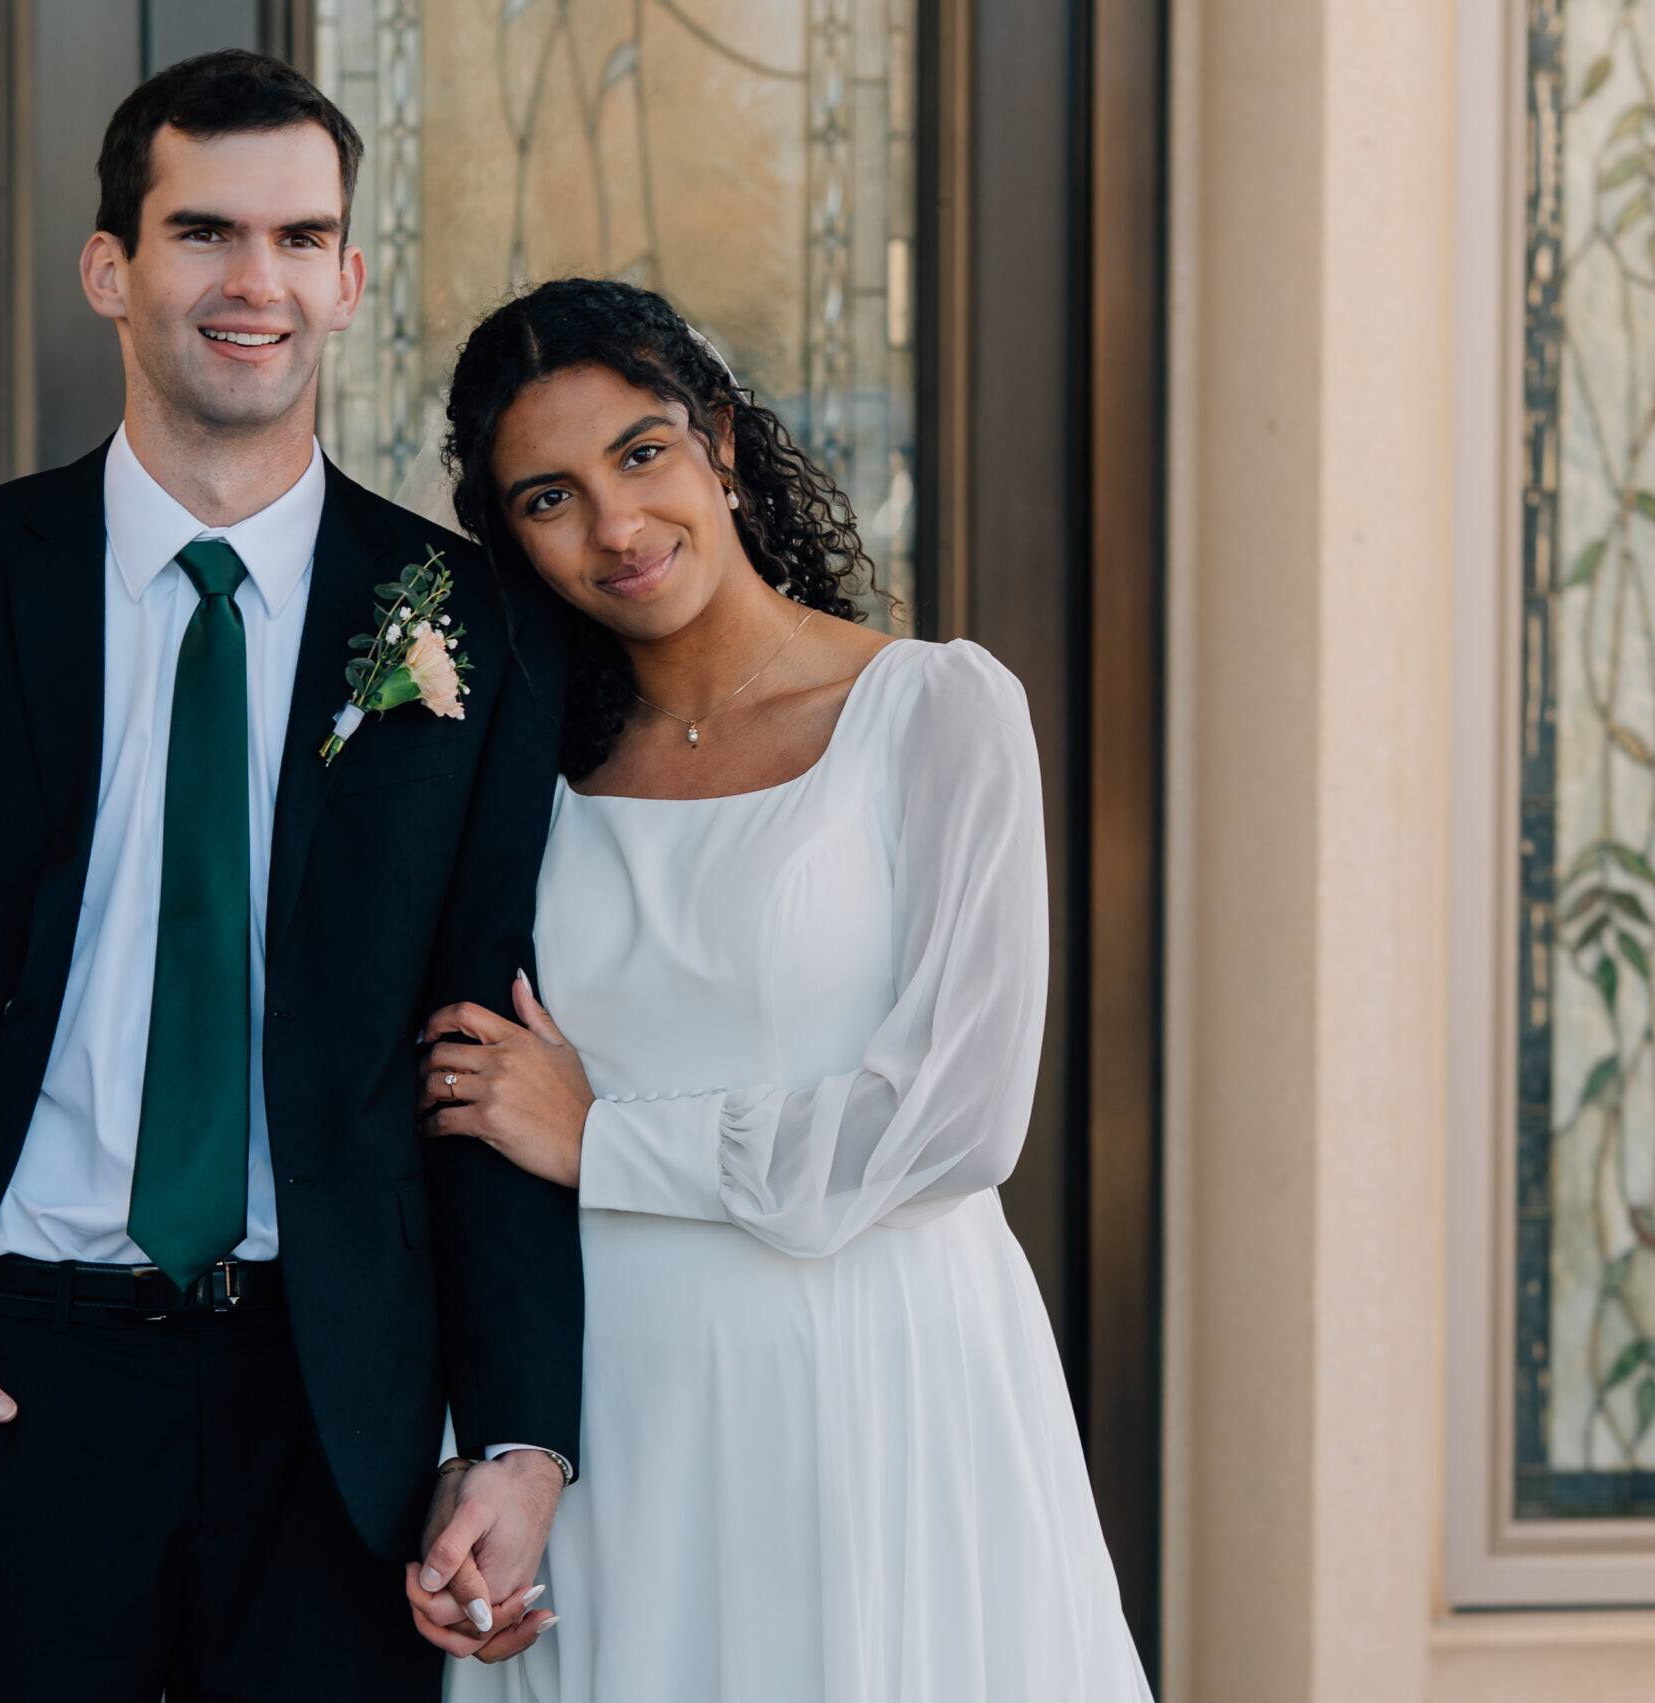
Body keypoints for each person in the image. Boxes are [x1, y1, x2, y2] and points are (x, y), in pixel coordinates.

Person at [0, 51, 579, 1699]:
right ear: (111, 267)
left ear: (346, 280)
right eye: (203, 232)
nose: (251, 281)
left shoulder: (469, 621)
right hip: (7, 1390)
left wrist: (524, 1435)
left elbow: (483, 1055)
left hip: (334, 1414)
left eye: (297, 238)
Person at [409, 277, 1151, 1701]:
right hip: (614, 1406)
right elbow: (462, 1121)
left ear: (725, 444)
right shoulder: (519, 777)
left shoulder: (934, 713)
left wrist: (605, 1138)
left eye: (643, 455)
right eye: (549, 498)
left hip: (871, 1379)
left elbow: (957, 1123)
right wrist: (488, 1437)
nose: (618, 528)